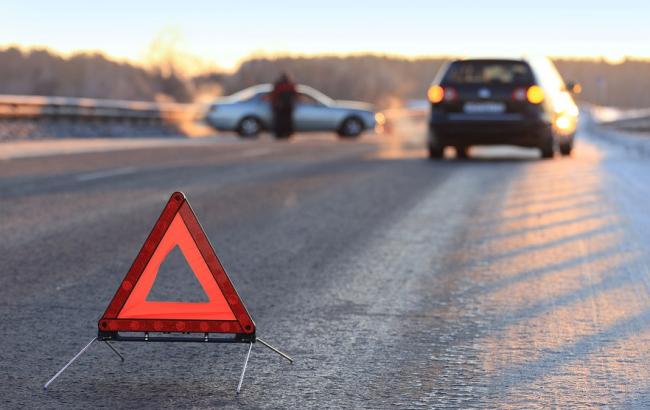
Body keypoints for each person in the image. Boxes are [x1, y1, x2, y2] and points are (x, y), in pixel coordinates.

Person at [270, 72, 297, 139]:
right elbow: (295, 95)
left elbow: (273, 95)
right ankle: (286, 133)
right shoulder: (290, 85)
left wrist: (274, 104)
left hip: (281, 106)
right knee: (286, 121)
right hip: (286, 106)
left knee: (280, 121)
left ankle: (281, 134)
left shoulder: (278, 85)